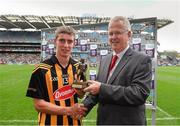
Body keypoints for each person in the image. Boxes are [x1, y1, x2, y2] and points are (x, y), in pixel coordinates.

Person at [82, 16, 152, 125]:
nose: (113, 37)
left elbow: (138, 94)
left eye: (118, 33)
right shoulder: (104, 60)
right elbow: (96, 92)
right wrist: (83, 107)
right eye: (110, 33)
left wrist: (101, 88)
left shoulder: (142, 60)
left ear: (129, 35)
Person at [26, 26, 87, 125]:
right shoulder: (41, 69)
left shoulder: (78, 67)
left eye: (70, 41)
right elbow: (38, 105)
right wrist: (69, 110)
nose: (66, 45)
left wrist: (80, 91)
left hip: (74, 123)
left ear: (74, 44)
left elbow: (80, 95)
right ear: (55, 41)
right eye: (62, 40)